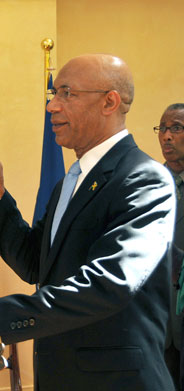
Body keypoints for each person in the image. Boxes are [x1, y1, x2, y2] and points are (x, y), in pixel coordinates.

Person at [0, 54, 176, 391]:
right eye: (54, 94)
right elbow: (35, 264)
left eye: (67, 93)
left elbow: (112, 281)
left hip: (115, 380)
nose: (52, 106)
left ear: (109, 102)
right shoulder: (72, 181)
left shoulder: (144, 180)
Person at [157, 103, 184, 390]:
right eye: (162, 129)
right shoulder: (147, 183)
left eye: (175, 128)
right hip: (158, 321)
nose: (166, 136)